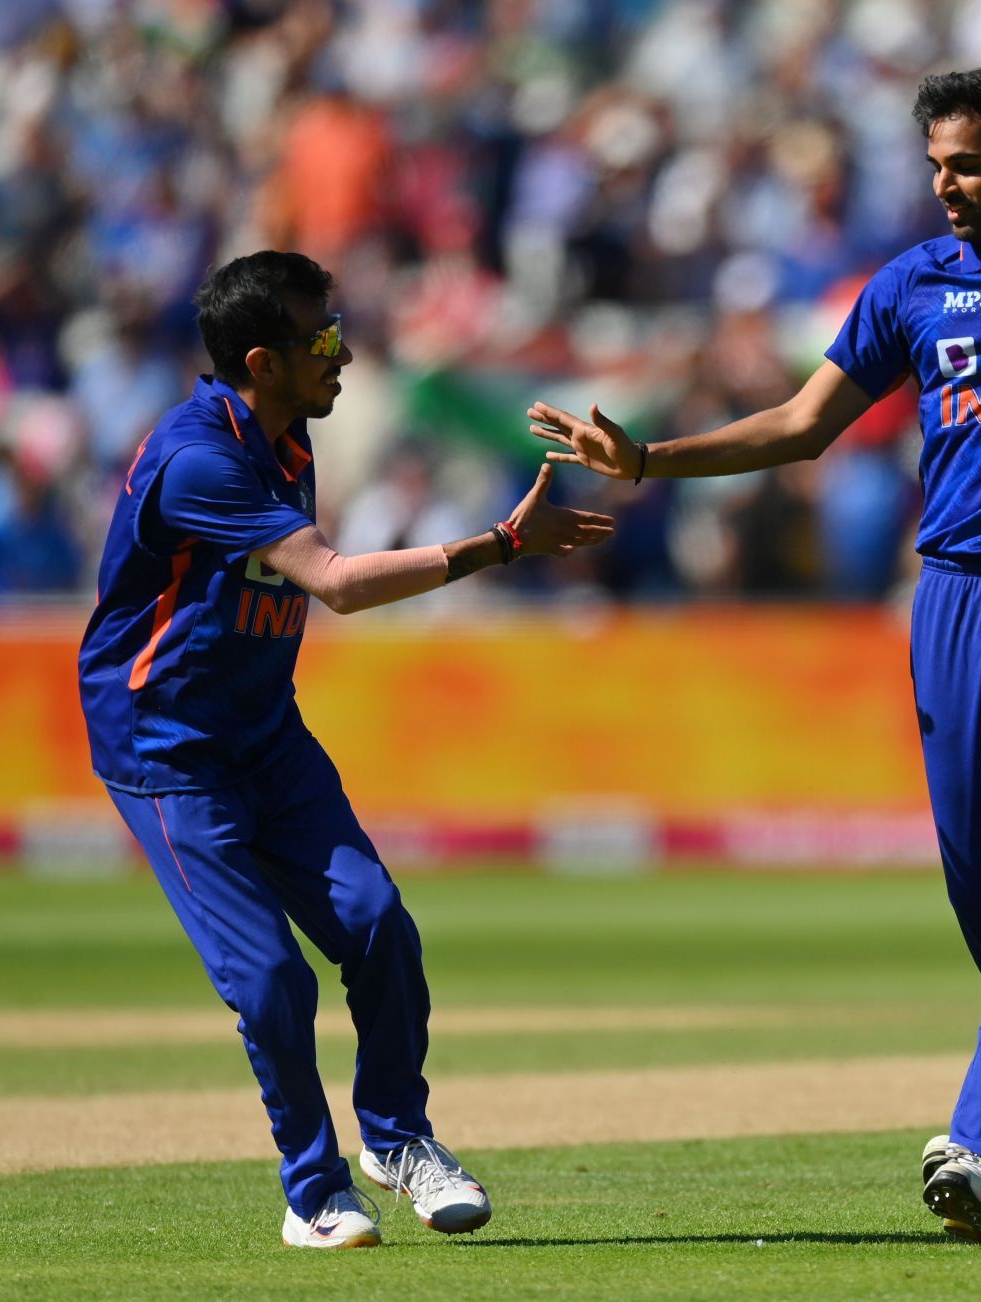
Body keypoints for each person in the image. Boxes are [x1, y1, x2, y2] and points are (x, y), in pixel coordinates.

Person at [530, 67, 981, 1244]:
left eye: (964, 165)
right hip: (950, 599)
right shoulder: (913, 282)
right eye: (933, 168)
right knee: (976, 884)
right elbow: (805, 426)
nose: (944, 187)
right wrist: (648, 461)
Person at [77, 251, 615, 1249]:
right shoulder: (203, 457)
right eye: (321, 339)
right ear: (261, 360)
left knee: (377, 925)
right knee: (272, 980)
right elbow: (334, 582)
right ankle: (314, 1192)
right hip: (169, 746)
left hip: (263, 732)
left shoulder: (286, 437)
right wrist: (499, 544)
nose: (345, 352)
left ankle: (399, 1138)